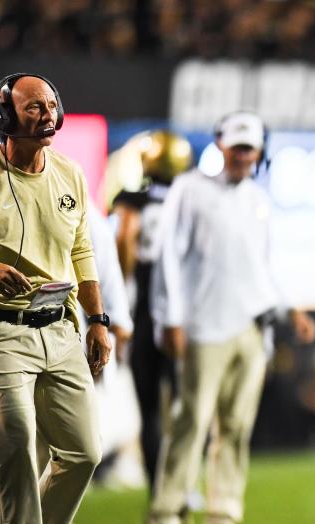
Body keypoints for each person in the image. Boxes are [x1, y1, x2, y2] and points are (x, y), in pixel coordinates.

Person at [0, 73, 108, 524]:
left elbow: (81, 252)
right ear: (4, 114)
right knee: (17, 446)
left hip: (61, 328)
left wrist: (98, 319)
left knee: (83, 452)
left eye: (50, 104)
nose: (45, 114)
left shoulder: (69, 171)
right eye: (32, 106)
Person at [145, 111, 315, 524]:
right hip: (203, 326)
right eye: (237, 147)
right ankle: (164, 522)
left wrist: (287, 310)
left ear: (260, 152)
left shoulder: (257, 199)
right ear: (220, 147)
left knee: (236, 429)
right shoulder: (190, 189)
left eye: (250, 148)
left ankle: (221, 523)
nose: (243, 156)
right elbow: (168, 258)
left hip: (251, 328)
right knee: (191, 423)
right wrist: (169, 317)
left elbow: (260, 268)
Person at [111, 130, 192, 492]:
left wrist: (123, 288)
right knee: (186, 407)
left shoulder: (132, 200)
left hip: (144, 312)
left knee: (150, 411)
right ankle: (182, 487)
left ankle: (159, 490)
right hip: (186, 316)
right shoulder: (191, 200)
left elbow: (125, 238)